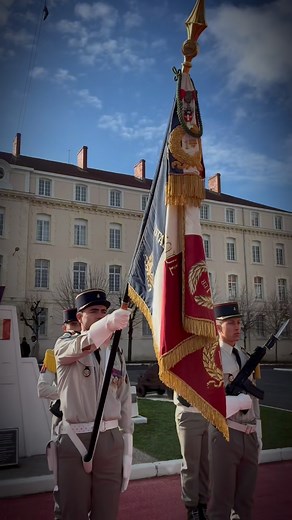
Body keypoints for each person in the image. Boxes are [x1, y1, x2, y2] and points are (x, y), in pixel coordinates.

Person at [54, 289, 133, 520]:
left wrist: (127, 443)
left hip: (110, 441)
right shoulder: (65, 344)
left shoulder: (115, 352)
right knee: (73, 511)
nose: (100, 315)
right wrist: (108, 324)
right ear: (79, 318)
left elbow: (125, 399)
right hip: (77, 440)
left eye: (104, 311)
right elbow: (84, 344)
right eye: (93, 311)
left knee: (106, 513)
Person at [207, 302, 262, 520]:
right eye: (231, 323)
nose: (237, 327)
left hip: (248, 435)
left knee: (246, 501)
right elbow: (209, 399)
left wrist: (258, 431)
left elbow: (254, 398)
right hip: (225, 434)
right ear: (218, 328)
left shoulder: (246, 357)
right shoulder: (211, 358)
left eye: (239, 323)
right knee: (221, 502)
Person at [37, 307, 81, 520]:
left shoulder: (89, 354)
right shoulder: (54, 354)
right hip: (62, 420)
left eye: (78, 325)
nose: (76, 330)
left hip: (86, 422)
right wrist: (69, 393)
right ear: (64, 327)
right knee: (62, 480)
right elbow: (42, 389)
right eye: (72, 326)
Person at [174, 392, 209, 520]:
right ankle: (192, 507)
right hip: (188, 411)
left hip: (209, 413)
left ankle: (203, 505)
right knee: (191, 465)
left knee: (206, 464)